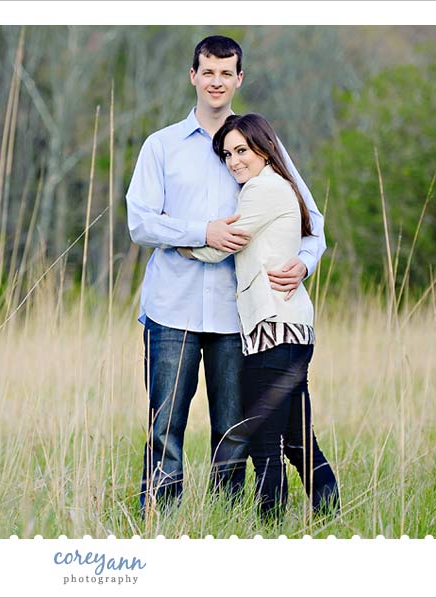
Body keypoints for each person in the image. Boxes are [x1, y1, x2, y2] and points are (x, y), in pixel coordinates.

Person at [125, 35, 326, 514]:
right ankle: (162, 513)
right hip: (172, 309)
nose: (216, 82)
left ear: (239, 79)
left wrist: (304, 263)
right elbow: (140, 221)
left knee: (234, 428)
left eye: (226, 73)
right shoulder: (163, 147)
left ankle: (225, 515)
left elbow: (311, 224)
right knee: (165, 423)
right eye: (208, 72)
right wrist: (203, 232)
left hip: (239, 317)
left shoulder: (259, 146)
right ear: (193, 76)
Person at [179, 113, 340, 519]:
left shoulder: (262, 189)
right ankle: (331, 516)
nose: (234, 161)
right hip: (291, 327)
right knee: (300, 440)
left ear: (265, 149)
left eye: (242, 151)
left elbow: (223, 244)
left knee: (264, 441)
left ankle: (269, 526)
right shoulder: (276, 186)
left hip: (273, 329)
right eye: (227, 154)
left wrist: (177, 242)